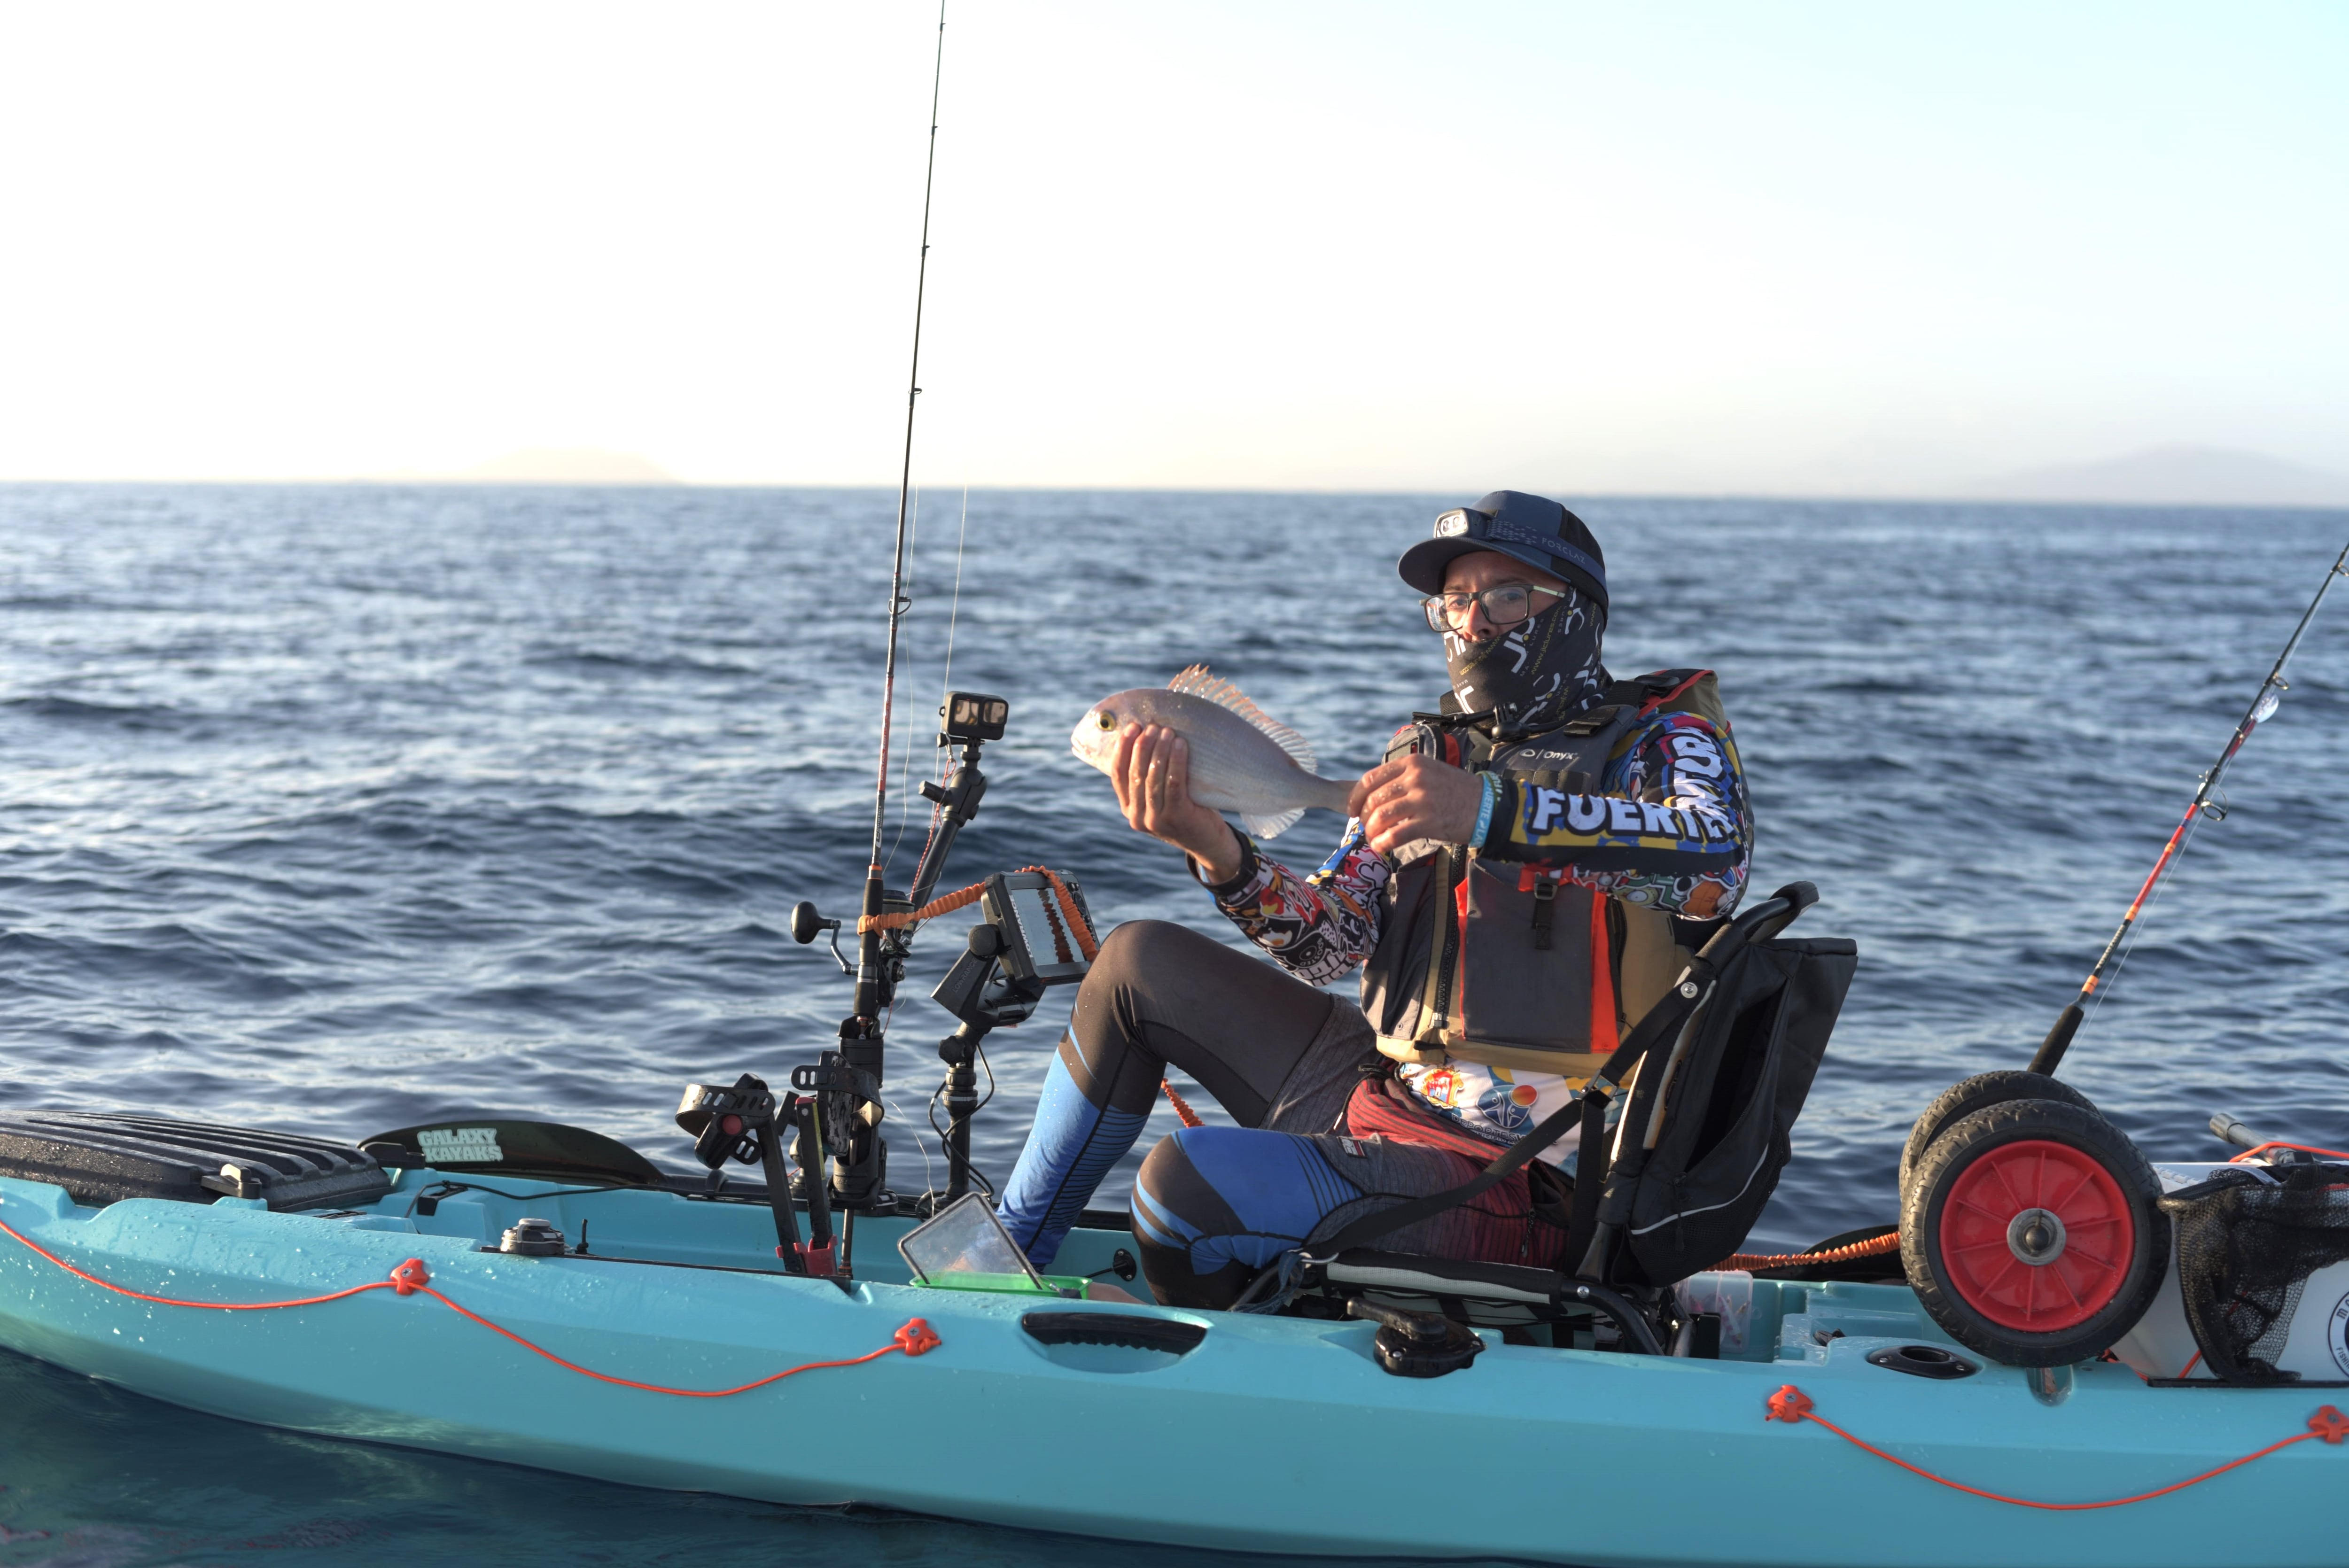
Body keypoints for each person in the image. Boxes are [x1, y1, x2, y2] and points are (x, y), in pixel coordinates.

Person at [996, 491, 1752, 1308]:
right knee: (1136, 962)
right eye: (1455, 602)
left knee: (1186, 1183)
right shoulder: (1432, 752)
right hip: (1383, 1093)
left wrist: (1493, 812)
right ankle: (999, 1264)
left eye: (1504, 595)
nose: (1473, 623)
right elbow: (1330, 944)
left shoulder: (1662, 737)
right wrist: (1215, 846)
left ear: (1575, 613)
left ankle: (1232, 1380)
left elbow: (1713, 855)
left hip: (1519, 1181)